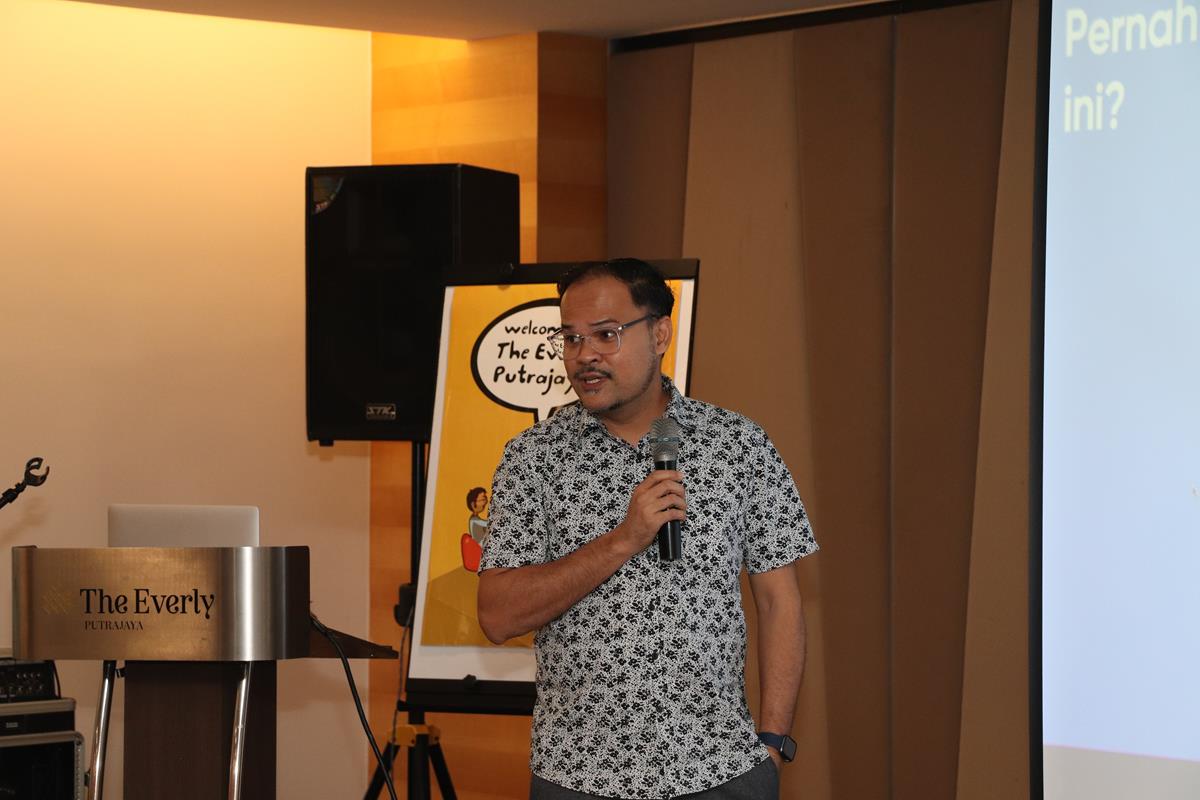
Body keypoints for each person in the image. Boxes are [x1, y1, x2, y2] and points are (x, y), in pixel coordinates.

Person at [477, 258, 818, 800]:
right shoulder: (533, 458)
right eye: (570, 338)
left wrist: (772, 744)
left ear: (660, 334)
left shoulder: (737, 445)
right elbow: (497, 615)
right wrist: (623, 540)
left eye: (605, 334)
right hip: (579, 777)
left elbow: (780, 601)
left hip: (720, 772)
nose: (584, 355)